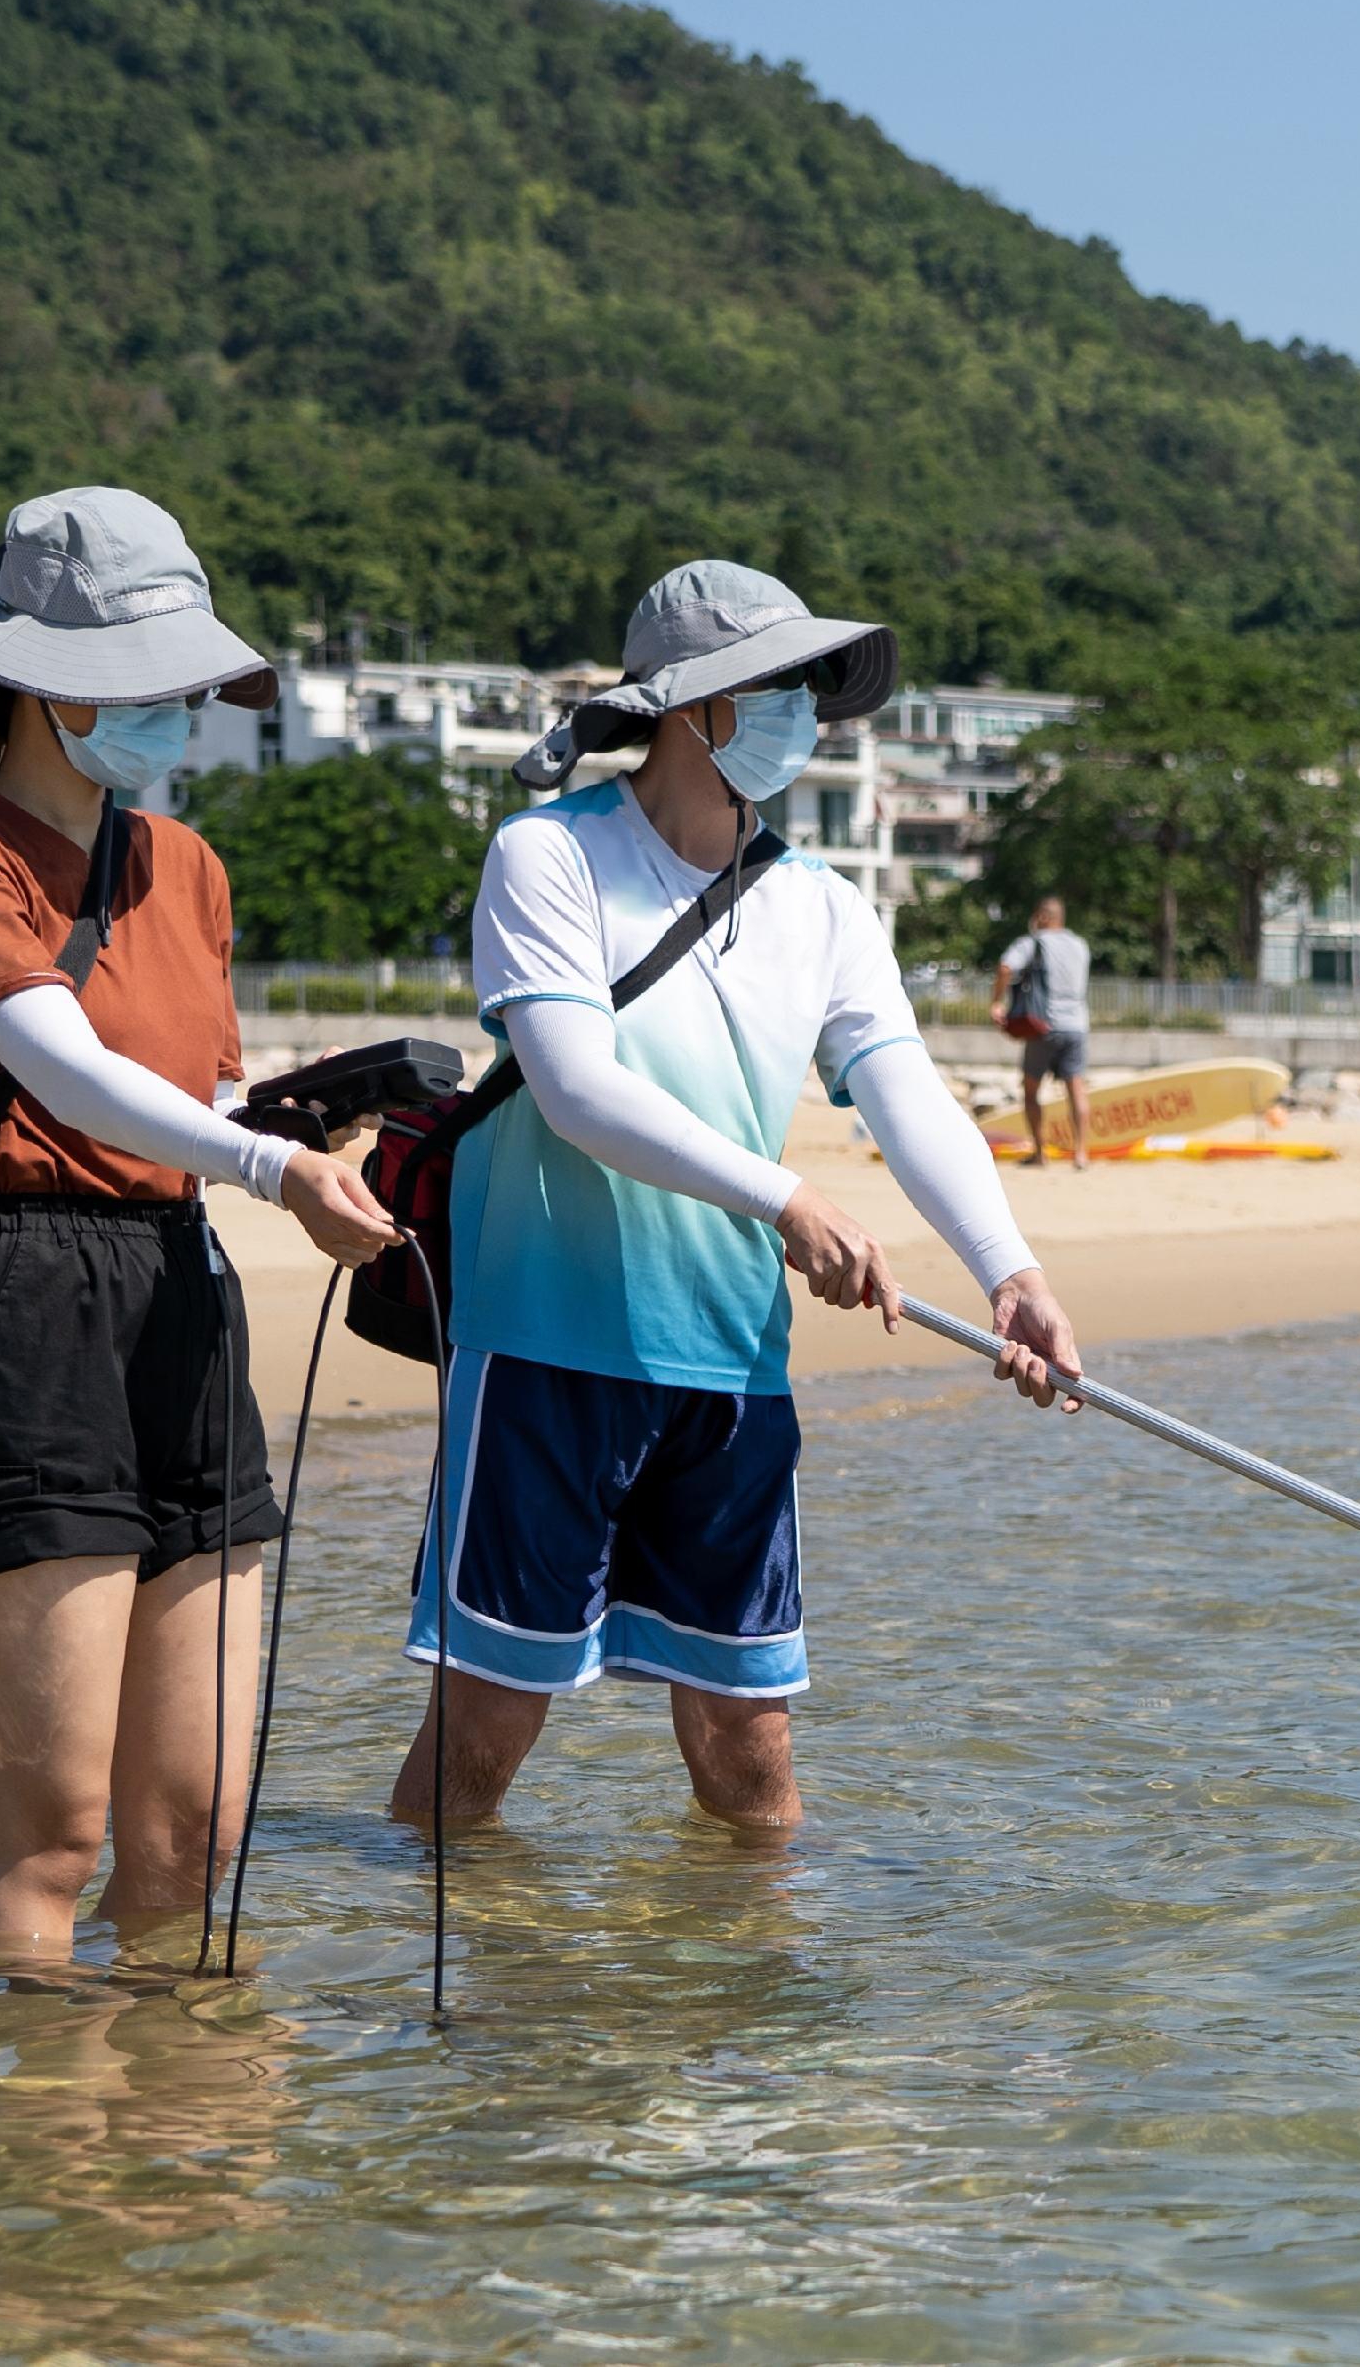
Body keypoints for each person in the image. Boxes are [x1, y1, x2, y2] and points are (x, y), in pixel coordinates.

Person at [385, 559, 1088, 1839]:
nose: (805, 712)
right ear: (690, 705)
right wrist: (785, 1201)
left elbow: (906, 1094)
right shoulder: (548, 855)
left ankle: (753, 2022)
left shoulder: (823, 905)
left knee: (749, 1746)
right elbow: (576, 1086)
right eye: (778, 685)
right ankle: (458, 2024)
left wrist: (1010, 1269)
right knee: (485, 1733)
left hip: (731, 1368)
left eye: (813, 687)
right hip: (550, 1349)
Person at [0, 486, 398, 1967]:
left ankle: (168, 2146)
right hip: (22, 1303)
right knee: (53, 1829)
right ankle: (31, 2170)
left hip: (182, 1287)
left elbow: (198, 1086)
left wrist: (297, 1140)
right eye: (147, 683)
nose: (178, 713)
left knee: (198, 1828)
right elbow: (61, 1067)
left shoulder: (190, 870)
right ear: (47, 684)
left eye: (185, 682)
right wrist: (266, 1170)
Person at [993, 895, 1095, 1168]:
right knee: (1076, 1089)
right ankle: (1081, 1153)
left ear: (1042, 916)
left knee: (1030, 1090)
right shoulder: (1080, 945)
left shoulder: (1033, 943)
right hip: (1078, 1025)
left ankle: (1040, 1153)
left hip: (1044, 1026)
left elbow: (1005, 967)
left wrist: (997, 1002)